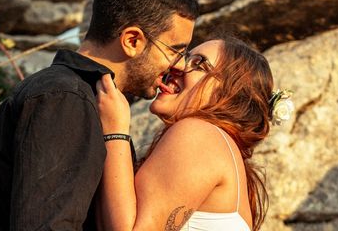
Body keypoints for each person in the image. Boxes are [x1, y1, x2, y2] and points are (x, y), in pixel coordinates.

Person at [0, 0, 199, 230]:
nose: (180, 64)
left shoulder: (81, 97)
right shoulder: (66, 98)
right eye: (175, 50)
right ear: (133, 41)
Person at [95, 35, 275, 231]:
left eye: (198, 64)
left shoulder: (201, 135)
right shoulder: (220, 146)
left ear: (229, 94)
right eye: (183, 57)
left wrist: (115, 130)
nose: (177, 66)